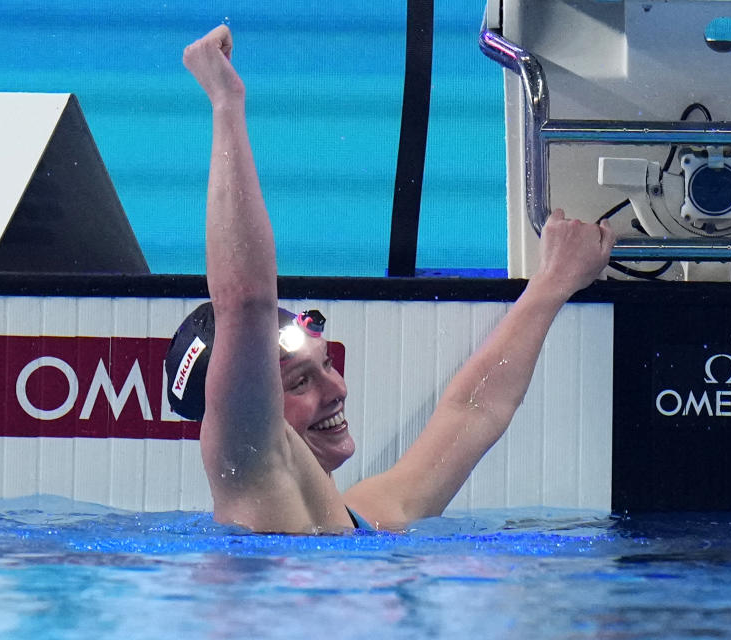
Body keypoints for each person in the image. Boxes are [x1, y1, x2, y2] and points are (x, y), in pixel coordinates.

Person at [169, 25, 616, 533]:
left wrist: (553, 282)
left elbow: (472, 410)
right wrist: (226, 102)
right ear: (233, 410)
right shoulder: (246, 476)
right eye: (298, 381)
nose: (335, 388)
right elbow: (245, 300)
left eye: (326, 364)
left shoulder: (371, 515)